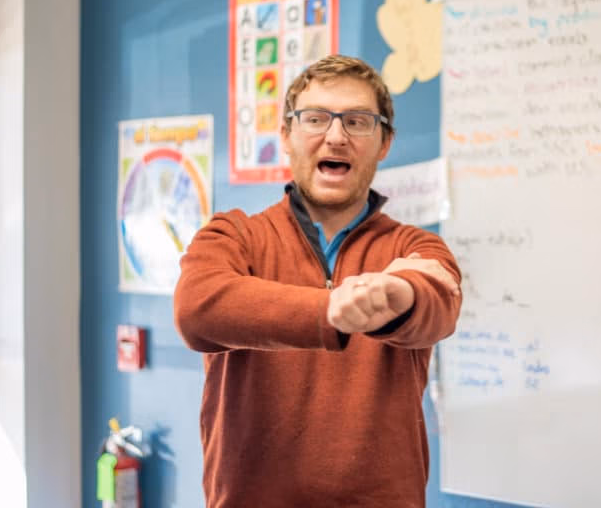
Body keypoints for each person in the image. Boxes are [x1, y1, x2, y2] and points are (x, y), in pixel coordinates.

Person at [174, 55, 462, 508]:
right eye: (316, 119)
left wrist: (399, 294)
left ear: (384, 142)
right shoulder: (233, 236)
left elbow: (437, 303)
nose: (335, 135)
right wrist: (330, 310)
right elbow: (196, 309)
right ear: (286, 136)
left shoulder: (415, 248)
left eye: (358, 121)